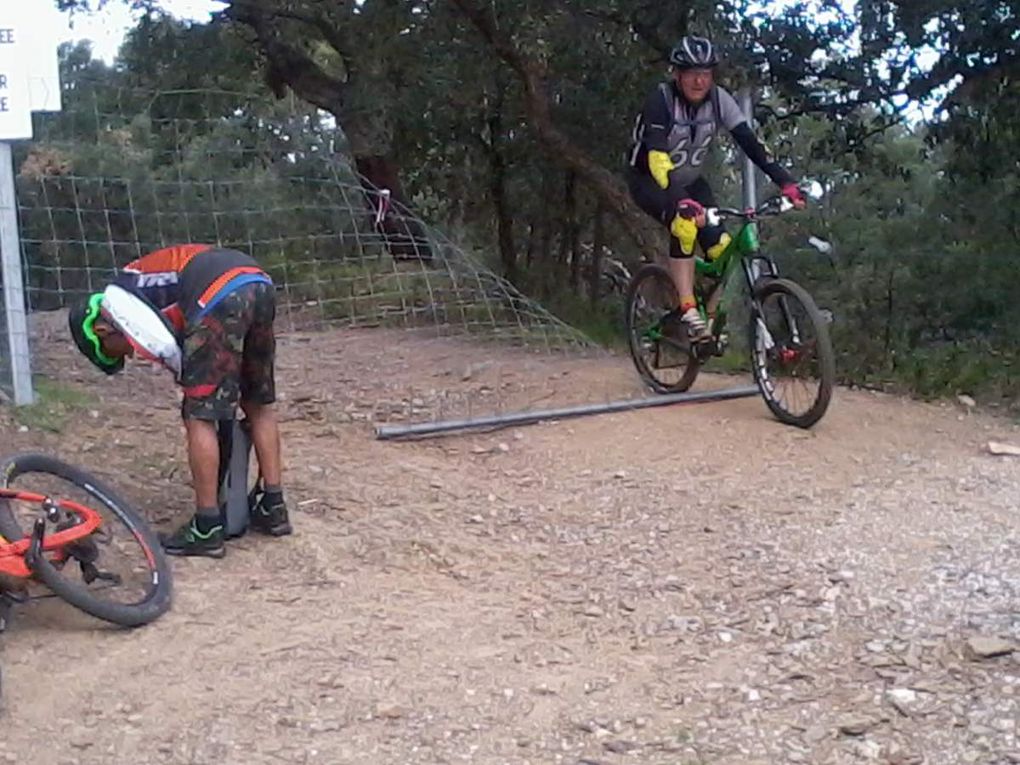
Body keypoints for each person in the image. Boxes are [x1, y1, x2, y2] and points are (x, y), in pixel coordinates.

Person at [68, 244, 292, 558]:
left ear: (102, 330)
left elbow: (163, 347)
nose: (130, 354)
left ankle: (206, 526)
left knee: (198, 414)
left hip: (217, 292)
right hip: (257, 281)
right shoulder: (140, 284)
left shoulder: (118, 299)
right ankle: (273, 505)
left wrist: (197, 390)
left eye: (116, 351)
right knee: (257, 403)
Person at [628, 35, 806, 340]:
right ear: (676, 74)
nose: (699, 81)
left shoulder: (719, 99)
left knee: (723, 250)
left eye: (706, 73)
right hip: (651, 181)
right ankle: (687, 309)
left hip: (691, 181)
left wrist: (786, 181)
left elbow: (751, 145)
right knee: (684, 226)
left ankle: (706, 324)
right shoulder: (661, 100)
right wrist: (679, 200)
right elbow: (657, 158)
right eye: (692, 73)